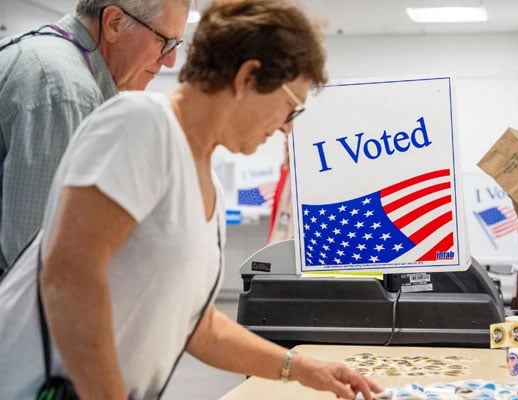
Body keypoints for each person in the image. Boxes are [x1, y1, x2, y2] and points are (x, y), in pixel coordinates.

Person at [0, 0, 382, 399]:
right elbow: (69, 276)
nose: (286, 129)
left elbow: (197, 325)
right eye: (290, 107)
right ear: (248, 77)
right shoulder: (140, 122)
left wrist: (301, 368)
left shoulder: (206, 187)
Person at [0, 0, 191, 279]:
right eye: (165, 41)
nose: (171, 60)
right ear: (113, 23)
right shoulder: (64, 89)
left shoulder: (45, 58)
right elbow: (41, 266)